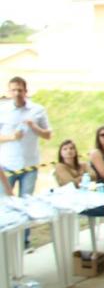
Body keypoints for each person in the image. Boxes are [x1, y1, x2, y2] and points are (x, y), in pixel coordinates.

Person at [0, 76, 52, 250]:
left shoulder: (37, 110)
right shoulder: (3, 110)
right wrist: (11, 137)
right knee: (5, 204)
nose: (17, 93)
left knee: (26, 203)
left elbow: (48, 134)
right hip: (7, 165)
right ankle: (6, 243)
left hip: (29, 165)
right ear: (9, 92)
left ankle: (24, 242)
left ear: (26, 91)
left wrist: (34, 127)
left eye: (20, 90)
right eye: (13, 90)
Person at [54, 139, 104, 259]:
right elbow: (70, 183)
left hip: (90, 198)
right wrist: (83, 178)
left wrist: (81, 179)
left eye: (72, 148)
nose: (69, 151)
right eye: (65, 149)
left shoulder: (83, 164)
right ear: (61, 153)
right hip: (77, 203)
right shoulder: (60, 167)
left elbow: (93, 176)